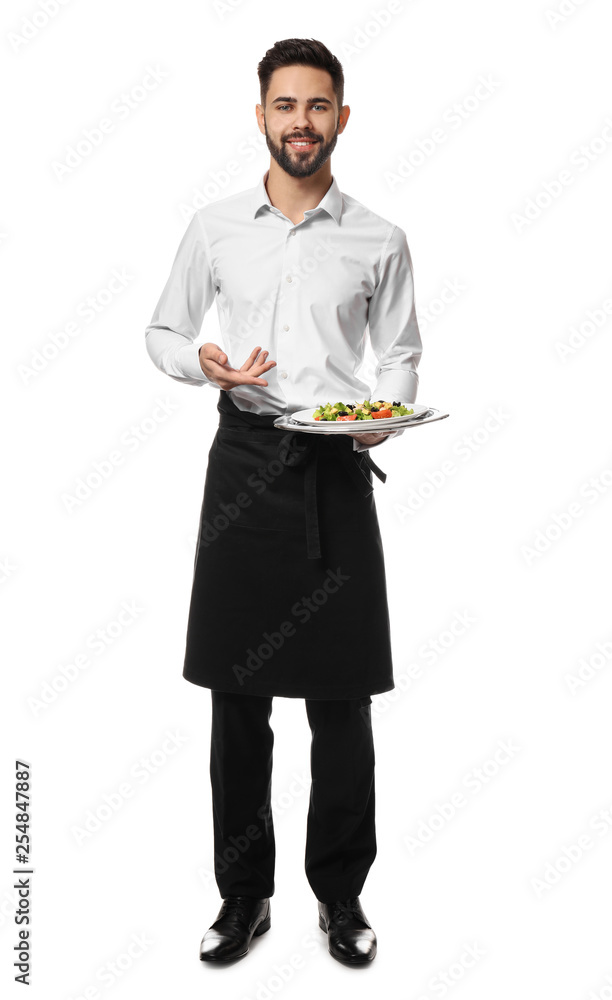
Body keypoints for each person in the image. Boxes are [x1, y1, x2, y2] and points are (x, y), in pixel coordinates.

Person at [144, 37, 422, 966]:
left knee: (342, 701)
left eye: (317, 106)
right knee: (237, 698)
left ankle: (340, 898)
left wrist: (384, 413)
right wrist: (204, 363)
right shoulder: (216, 227)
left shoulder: (380, 237)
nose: (300, 122)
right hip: (245, 471)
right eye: (284, 105)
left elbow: (403, 352)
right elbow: (165, 329)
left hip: (335, 471)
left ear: (342, 116)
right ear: (260, 115)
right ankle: (243, 898)